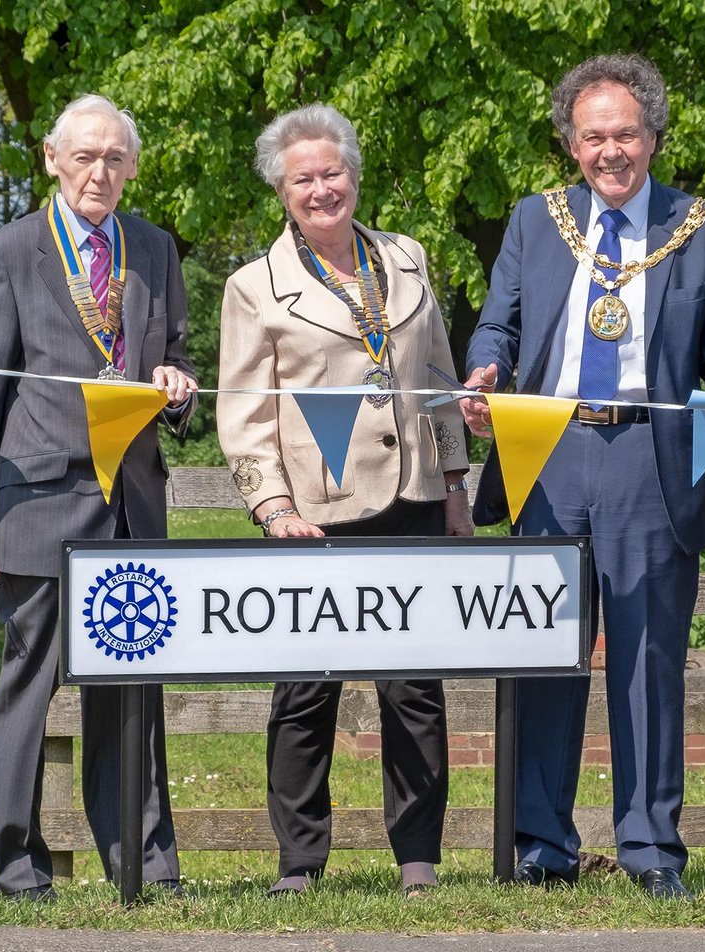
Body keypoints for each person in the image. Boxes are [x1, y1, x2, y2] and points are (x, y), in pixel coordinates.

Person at [461, 54, 705, 901]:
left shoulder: (704, 229)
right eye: (594, 136)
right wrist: (485, 373)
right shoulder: (535, 220)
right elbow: (498, 327)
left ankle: (651, 847)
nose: (611, 151)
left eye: (626, 134)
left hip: (650, 458)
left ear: (653, 137)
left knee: (648, 661)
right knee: (544, 653)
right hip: (547, 452)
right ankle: (541, 845)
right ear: (571, 144)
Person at [216, 103, 472, 899]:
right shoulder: (253, 287)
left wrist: (456, 487)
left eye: (332, 172)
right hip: (312, 518)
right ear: (281, 191)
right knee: (305, 693)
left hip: (416, 499)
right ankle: (299, 862)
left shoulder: (408, 257)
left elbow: (439, 377)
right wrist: (272, 508)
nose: (321, 189)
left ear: (354, 175)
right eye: (304, 179)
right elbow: (245, 414)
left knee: (414, 690)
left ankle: (418, 856)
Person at [0, 94, 198, 901]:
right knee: (28, 691)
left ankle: (146, 868)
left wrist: (177, 385)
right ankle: (17, 871)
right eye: (85, 156)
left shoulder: (155, 248)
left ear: (132, 167)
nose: (100, 172)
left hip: (133, 505)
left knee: (134, 697)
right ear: (53, 160)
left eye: (115, 158)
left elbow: (179, 359)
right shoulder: (8, 252)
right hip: (38, 503)